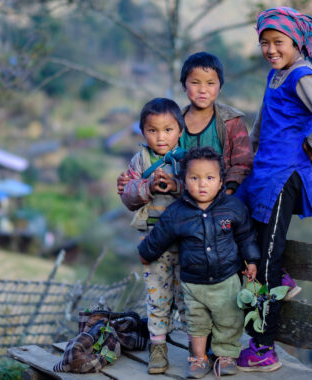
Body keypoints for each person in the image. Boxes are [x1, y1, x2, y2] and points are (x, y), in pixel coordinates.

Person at [234, 7, 312, 373]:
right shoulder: (276, 75)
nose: (270, 49)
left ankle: (263, 348)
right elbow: (263, 121)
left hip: (284, 177)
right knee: (240, 230)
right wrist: (247, 159)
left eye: (278, 41)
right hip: (264, 173)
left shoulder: (301, 74)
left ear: (296, 42)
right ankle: (278, 273)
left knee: (265, 259)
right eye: (264, 42)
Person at [139, 146, 260, 378]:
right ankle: (198, 358)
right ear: (183, 180)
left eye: (209, 178)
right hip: (193, 284)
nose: (202, 184)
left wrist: (252, 261)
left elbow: (246, 236)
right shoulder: (177, 212)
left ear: (221, 180)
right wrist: (145, 252)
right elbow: (159, 235)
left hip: (226, 279)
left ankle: (225, 356)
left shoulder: (233, 208)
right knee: (197, 324)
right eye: (194, 178)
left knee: (229, 319)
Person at [117, 51, 253, 196]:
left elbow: (242, 163)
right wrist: (130, 182)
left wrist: (227, 192)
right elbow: (155, 157)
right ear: (184, 85)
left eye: (210, 83)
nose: (202, 90)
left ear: (220, 87)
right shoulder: (173, 123)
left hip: (223, 199)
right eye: (195, 83)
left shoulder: (231, 121)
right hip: (180, 199)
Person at [120, 97, 187, 374]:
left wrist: (176, 185)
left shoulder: (187, 158)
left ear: (180, 131)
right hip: (153, 241)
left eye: (168, 130)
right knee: (157, 295)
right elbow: (127, 196)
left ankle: (199, 347)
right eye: (153, 130)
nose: (161, 137)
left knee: (188, 297)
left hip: (186, 241)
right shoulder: (140, 159)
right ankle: (158, 349)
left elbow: (201, 189)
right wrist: (146, 187)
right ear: (143, 131)